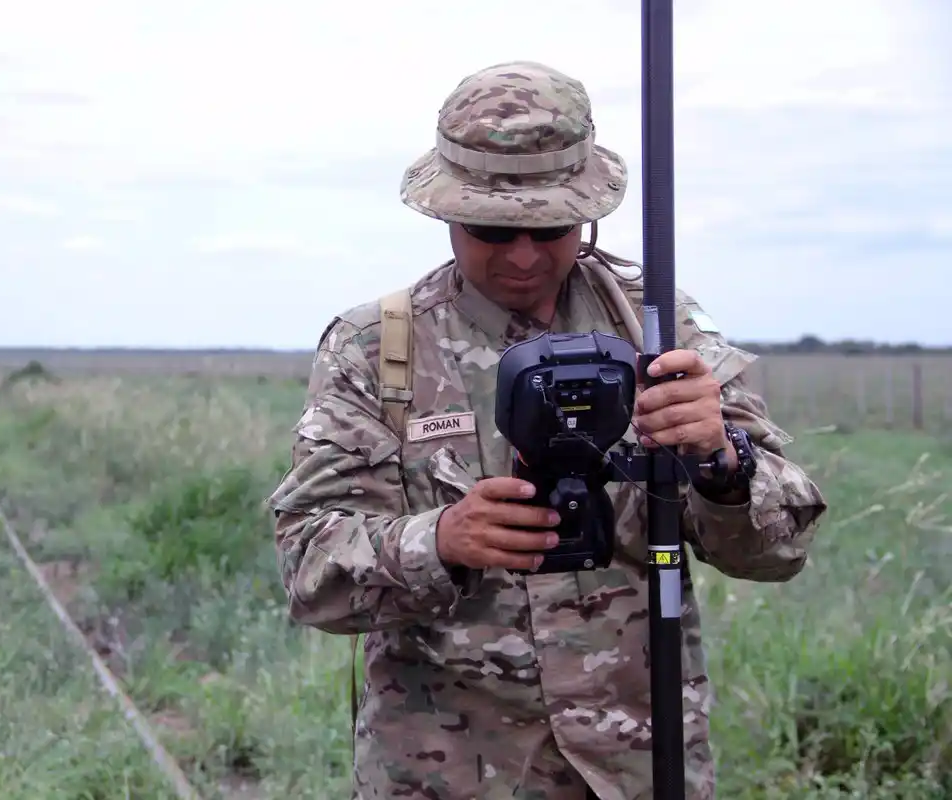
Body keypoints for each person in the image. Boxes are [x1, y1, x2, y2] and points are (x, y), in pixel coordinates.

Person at [266, 60, 827, 800]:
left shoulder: (658, 328)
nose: (524, 257)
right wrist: (437, 541)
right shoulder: (379, 348)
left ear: (586, 212)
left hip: (637, 767)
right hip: (445, 774)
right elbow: (309, 570)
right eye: (493, 230)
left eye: (550, 227)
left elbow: (778, 549)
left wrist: (722, 460)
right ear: (446, 215)